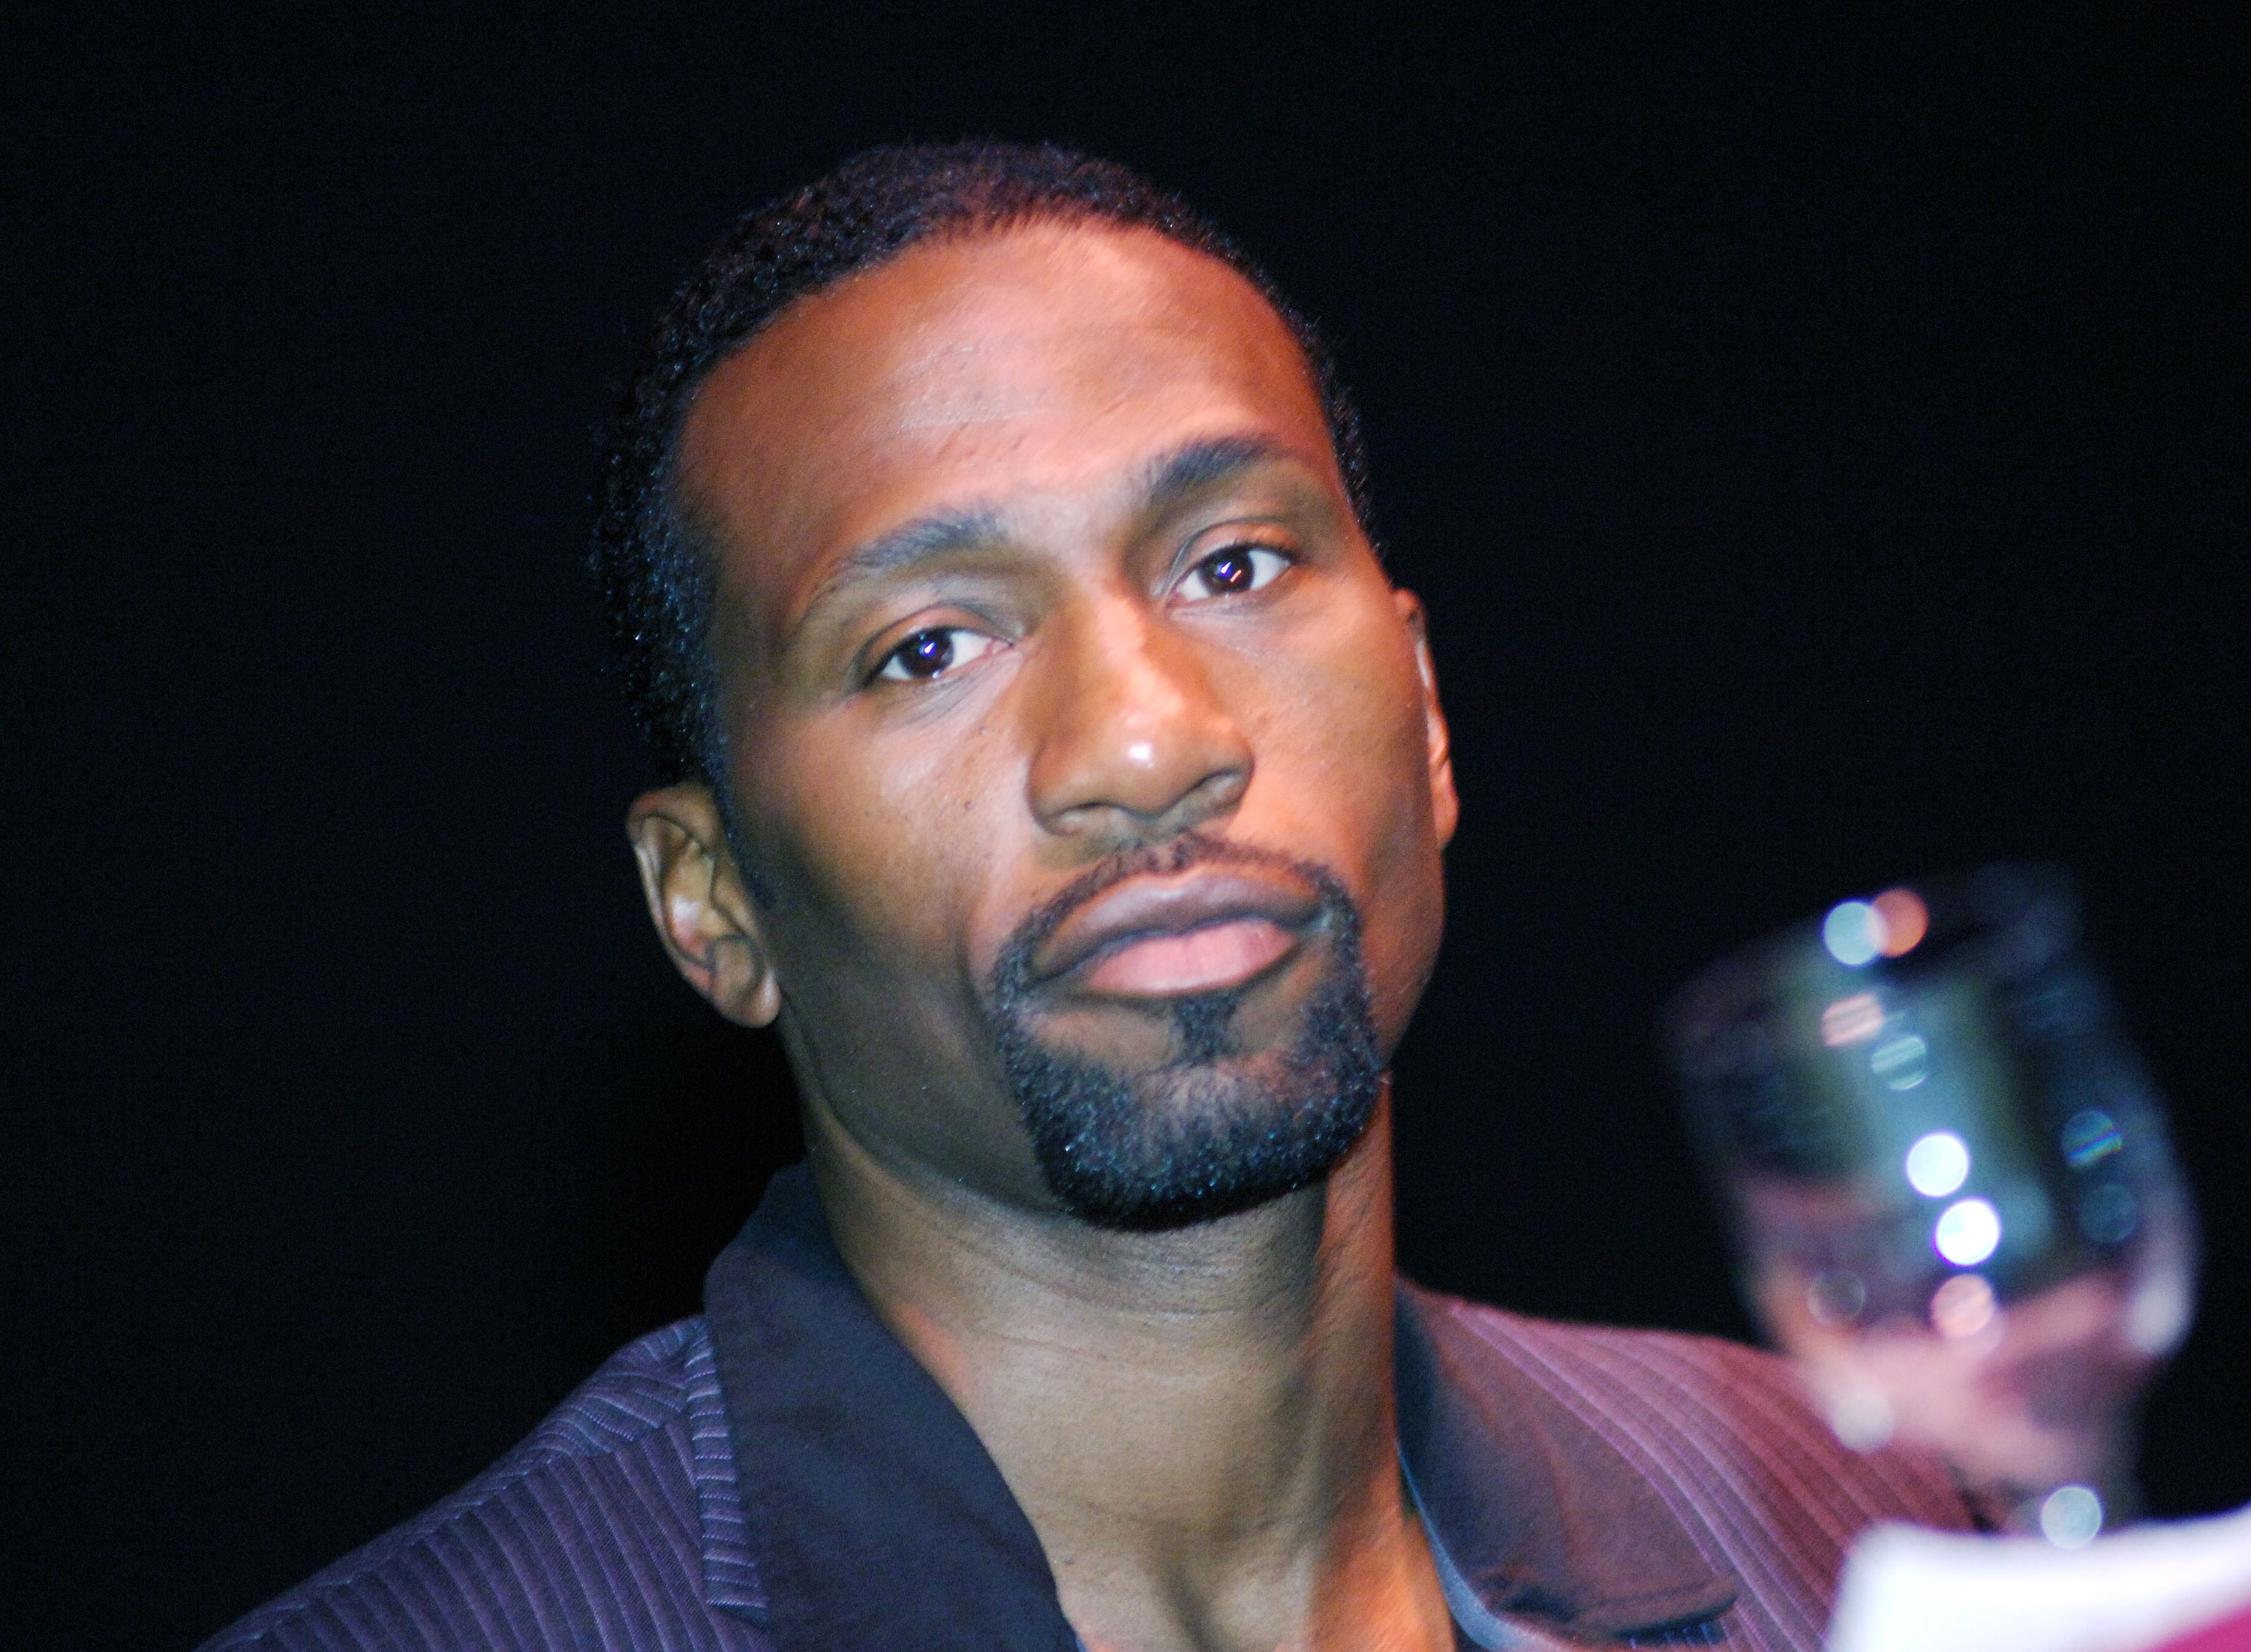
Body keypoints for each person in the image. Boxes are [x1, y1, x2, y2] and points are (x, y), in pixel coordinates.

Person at [200, 143, 1970, 1652]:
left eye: (1233, 562)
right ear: (714, 899)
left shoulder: (1868, 1538)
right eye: (928, 647)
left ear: (1427, 717)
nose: (1143, 741)